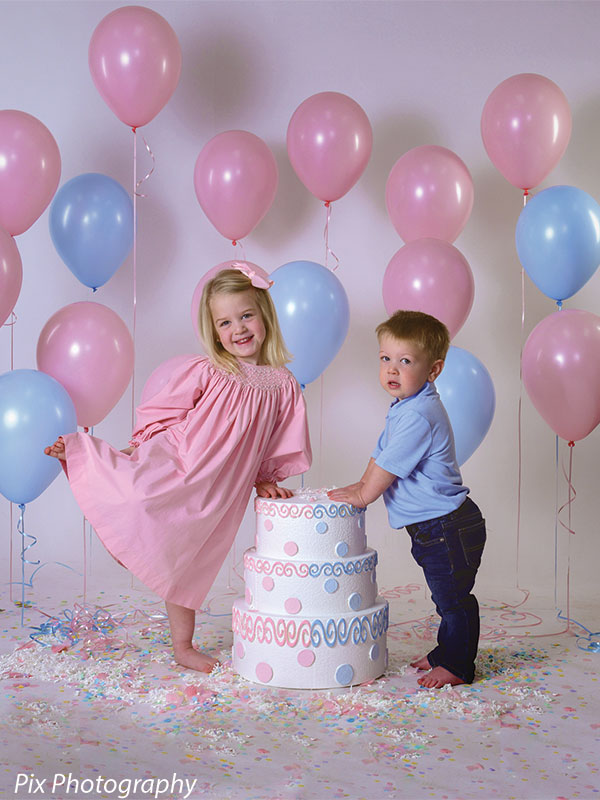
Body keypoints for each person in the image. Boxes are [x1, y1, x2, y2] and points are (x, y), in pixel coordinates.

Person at [45, 264, 312, 673]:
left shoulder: (282, 385)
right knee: (138, 491)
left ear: (265, 316)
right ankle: (80, 453)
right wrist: (137, 445)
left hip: (220, 489)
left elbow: (279, 439)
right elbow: (166, 411)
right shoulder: (211, 370)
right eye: (225, 322)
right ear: (213, 331)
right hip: (180, 460)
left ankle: (182, 647)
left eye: (246, 316)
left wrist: (265, 479)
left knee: (190, 562)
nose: (238, 329)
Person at [328, 310, 486, 689]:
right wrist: (360, 482)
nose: (392, 370)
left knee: (454, 600)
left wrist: (365, 494)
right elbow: (382, 454)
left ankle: (458, 665)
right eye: (386, 359)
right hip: (435, 526)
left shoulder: (419, 414)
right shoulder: (405, 407)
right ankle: (444, 651)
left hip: (447, 526)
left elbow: (392, 466)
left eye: (405, 361)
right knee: (442, 595)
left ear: (434, 370)